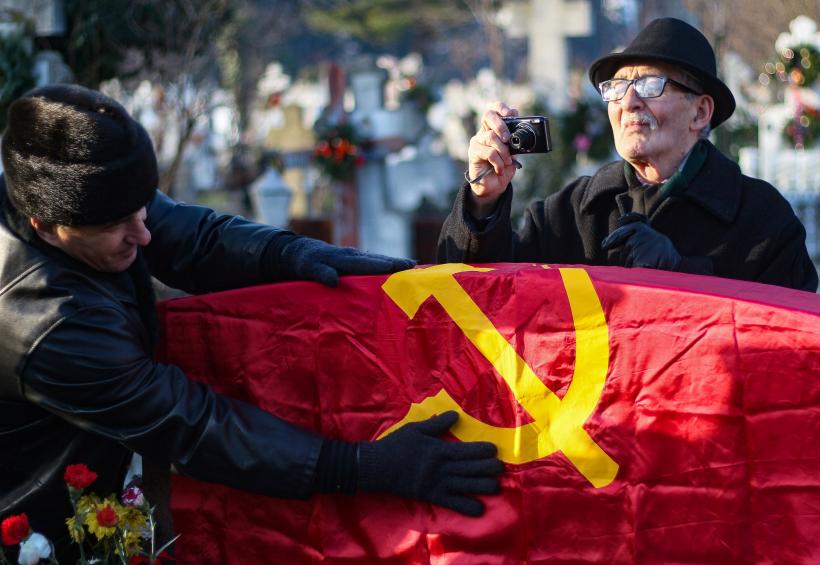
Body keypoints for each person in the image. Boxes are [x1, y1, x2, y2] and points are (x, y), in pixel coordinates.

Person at [0, 85, 503, 561]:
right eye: (117, 226)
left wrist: (291, 253)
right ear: (47, 225)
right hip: (41, 528)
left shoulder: (87, 195)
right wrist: (358, 466)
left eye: (141, 208)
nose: (144, 235)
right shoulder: (41, 320)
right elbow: (190, 423)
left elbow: (192, 238)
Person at [438, 17, 818, 292]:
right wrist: (482, 204)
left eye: (650, 84)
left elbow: (784, 344)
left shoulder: (762, 220)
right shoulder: (573, 210)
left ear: (700, 113)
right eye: (618, 86)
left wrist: (682, 273)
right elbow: (478, 296)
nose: (629, 102)